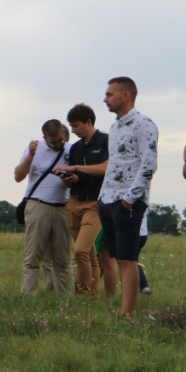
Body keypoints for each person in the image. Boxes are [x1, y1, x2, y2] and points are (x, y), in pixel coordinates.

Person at [97, 76, 158, 316]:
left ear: (126, 95)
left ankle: (128, 313)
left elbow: (148, 165)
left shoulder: (144, 124)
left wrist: (129, 199)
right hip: (107, 199)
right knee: (116, 256)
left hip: (127, 202)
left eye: (110, 94)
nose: (105, 99)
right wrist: (103, 198)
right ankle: (125, 308)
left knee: (126, 258)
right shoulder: (115, 126)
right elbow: (114, 163)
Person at [53, 104, 109, 298]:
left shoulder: (105, 141)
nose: (73, 131)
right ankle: (93, 295)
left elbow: (105, 168)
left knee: (80, 250)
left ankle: (82, 293)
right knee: (90, 254)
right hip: (74, 201)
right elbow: (74, 176)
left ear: (89, 122)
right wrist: (70, 178)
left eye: (75, 126)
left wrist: (75, 168)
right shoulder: (76, 148)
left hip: (94, 204)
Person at [15, 119, 72, 295]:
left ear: (64, 133)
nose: (57, 145)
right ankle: (29, 295)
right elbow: (18, 176)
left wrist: (70, 179)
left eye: (60, 140)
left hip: (63, 206)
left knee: (62, 259)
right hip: (38, 204)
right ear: (44, 137)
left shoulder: (71, 149)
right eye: (53, 142)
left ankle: (65, 298)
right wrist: (30, 156)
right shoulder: (34, 148)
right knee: (33, 257)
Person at [138, 213, 151, 295]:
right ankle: (143, 285)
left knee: (129, 261)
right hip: (142, 232)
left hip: (133, 232)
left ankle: (143, 285)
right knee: (132, 260)